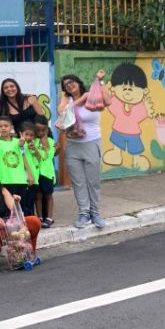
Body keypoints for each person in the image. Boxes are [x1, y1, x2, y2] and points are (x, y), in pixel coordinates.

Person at [58, 70, 112, 228]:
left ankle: (95, 213)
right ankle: (83, 213)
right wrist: (81, 98)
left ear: (78, 82)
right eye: (66, 85)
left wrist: (100, 82)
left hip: (92, 143)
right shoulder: (67, 99)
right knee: (78, 182)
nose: (70, 86)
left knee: (93, 182)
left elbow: (108, 101)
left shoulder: (93, 96)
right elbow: (61, 112)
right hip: (73, 146)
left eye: (71, 82)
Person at [0, 116, 34, 216]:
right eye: (0, 126)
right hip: (4, 180)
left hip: (20, 180)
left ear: (11, 127)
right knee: (7, 209)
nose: (3, 128)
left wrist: (29, 174)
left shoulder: (19, 141)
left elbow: (24, 157)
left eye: (6, 126)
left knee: (21, 207)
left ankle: (23, 225)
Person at [34, 115, 57, 227]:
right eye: (37, 130)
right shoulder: (32, 140)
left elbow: (50, 155)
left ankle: (49, 217)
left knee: (48, 195)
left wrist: (46, 145)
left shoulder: (50, 141)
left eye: (43, 130)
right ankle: (39, 217)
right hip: (36, 173)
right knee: (38, 195)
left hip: (47, 173)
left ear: (47, 130)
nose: (40, 133)